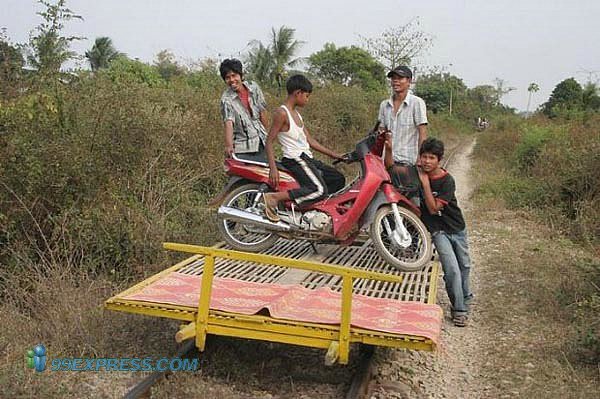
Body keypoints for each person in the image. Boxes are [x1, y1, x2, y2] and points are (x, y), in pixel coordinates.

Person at [263, 75, 345, 222]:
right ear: (298, 93)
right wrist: (272, 168)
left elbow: (310, 140)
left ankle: (317, 211)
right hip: (294, 159)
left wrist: (335, 155)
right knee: (319, 190)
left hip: (306, 158)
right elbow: (269, 141)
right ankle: (274, 198)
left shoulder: (298, 115)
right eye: (307, 96)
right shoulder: (282, 113)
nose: (307, 99)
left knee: (338, 179)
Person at [417, 137, 473, 327]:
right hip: (438, 231)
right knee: (452, 270)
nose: (427, 161)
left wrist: (425, 185)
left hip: (456, 228)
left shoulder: (447, 181)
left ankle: (465, 297)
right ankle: (459, 309)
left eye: (431, 157)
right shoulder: (417, 177)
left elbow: (433, 208)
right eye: (424, 157)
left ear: (439, 160)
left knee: (464, 266)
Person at [378, 66, 428, 200]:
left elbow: (422, 133)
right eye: (393, 78)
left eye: (400, 78)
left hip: (408, 162)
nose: (396, 81)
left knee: (412, 202)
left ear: (409, 81)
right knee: (389, 201)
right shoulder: (384, 105)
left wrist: (420, 158)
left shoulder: (417, 103)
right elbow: (381, 132)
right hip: (388, 162)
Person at [219, 58, 268, 161]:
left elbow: (262, 112)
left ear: (241, 75)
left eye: (234, 76)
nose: (232, 80)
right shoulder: (226, 99)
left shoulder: (254, 88)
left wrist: (268, 137)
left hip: (261, 142)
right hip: (243, 148)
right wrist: (229, 146)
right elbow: (229, 123)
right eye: (227, 77)